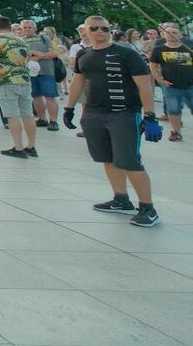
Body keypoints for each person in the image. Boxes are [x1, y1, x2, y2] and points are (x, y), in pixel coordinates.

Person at [64, 15, 162, 228]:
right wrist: (69, 108)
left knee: (129, 160)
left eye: (105, 28)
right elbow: (77, 82)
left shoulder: (127, 54)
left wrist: (150, 116)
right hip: (93, 113)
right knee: (107, 158)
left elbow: (145, 86)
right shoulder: (83, 54)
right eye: (95, 28)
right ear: (86, 31)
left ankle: (148, 208)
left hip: (124, 113)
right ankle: (121, 198)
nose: (100, 31)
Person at [0, 15, 38, 159]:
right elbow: (27, 59)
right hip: (24, 79)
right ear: (10, 26)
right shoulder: (22, 41)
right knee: (27, 114)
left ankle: (18, 147)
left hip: (6, 80)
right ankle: (31, 146)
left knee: (12, 114)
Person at [149, 21, 193, 142]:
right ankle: (176, 132)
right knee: (173, 110)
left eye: (174, 32)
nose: (171, 34)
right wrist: (160, 80)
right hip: (171, 86)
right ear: (163, 35)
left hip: (191, 85)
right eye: (168, 32)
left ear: (180, 35)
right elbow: (153, 66)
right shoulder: (159, 49)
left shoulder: (189, 47)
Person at [22, 19, 60, 131]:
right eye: (25, 27)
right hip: (30, 73)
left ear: (35, 28)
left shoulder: (44, 38)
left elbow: (54, 53)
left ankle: (53, 121)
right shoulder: (20, 41)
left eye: (30, 27)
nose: (27, 29)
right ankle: (42, 118)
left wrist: (39, 56)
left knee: (50, 96)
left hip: (46, 72)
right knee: (36, 96)